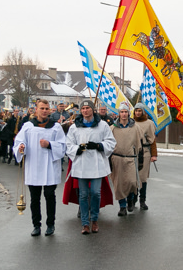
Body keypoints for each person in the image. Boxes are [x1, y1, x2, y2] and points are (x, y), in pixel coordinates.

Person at [15, 99, 66, 236]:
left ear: (50, 110)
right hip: (34, 167)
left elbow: (62, 146)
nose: (44, 111)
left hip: (50, 167)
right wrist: (21, 147)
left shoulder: (55, 127)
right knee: (35, 198)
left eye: (46, 108)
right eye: (42, 108)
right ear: (36, 109)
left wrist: (49, 144)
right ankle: (36, 225)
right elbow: (19, 141)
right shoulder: (28, 126)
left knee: (50, 196)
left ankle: (51, 224)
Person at [66, 99, 115, 235]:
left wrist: (99, 146)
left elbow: (111, 142)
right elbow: (69, 144)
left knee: (95, 192)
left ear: (93, 109)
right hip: (81, 164)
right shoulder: (74, 127)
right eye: (83, 108)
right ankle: (85, 223)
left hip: (96, 164)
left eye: (87, 108)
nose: (85, 110)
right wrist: (77, 149)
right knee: (83, 195)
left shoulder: (102, 125)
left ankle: (94, 219)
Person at [109, 103, 144, 217]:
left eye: (125, 112)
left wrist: (141, 160)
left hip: (130, 158)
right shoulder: (113, 128)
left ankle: (130, 199)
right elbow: (108, 144)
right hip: (117, 158)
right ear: (118, 114)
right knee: (119, 184)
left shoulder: (135, 128)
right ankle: (122, 206)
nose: (124, 114)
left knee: (132, 182)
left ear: (129, 113)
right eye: (121, 112)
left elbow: (140, 144)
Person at [132, 103, 157, 210]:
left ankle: (142, 200)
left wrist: (154, 154)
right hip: (132, 152)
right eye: (136, 110)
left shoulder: (149, 123)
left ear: (143, 111)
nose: (137, 113)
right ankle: (133, 199)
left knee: (142, 178)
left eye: (139, 110)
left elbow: (152, 140)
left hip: (145, 152)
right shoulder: (131, 123)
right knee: (132, 177)